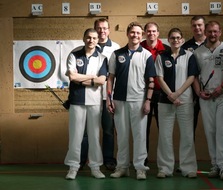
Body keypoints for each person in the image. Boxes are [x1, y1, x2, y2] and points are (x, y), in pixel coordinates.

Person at [106, 22, 156, 180]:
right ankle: (122, 167)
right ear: (127, 34)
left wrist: (148, 101)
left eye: (138, 33)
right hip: (119, 101)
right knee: (121, 135)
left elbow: (151, 80)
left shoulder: (146, 55)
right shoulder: (116, 53)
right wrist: (109, 99)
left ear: (142, 35)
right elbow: (110, 78)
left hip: (139, 100)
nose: (135, 35)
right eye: (133, 32)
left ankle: (140, 168)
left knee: (140, 135)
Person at [193, 21, 223, 180]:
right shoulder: (198, 52)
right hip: (205, 98)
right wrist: (199, 92)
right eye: (209, 31)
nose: (212, 34)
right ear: (205, 32)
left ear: (220, 32)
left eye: (215, 31)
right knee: (210, 132)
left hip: (222, 97)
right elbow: (194, 76)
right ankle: (215, 165)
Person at [64, 28, 108, 180]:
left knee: (94, 136)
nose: (91, 41)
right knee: (75, 136)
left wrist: (81, 79)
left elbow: (101, 80)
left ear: (98, 40)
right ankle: (73, 167)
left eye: (95, 38)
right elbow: (72, 76)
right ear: (83, 38)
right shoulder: (74, 55)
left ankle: (95, 167)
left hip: (95, 102)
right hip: (76, 100)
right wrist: (91, 77)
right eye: (89, 37)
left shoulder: (102, 58)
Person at [155, 28, 198, 178]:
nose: (175, 40)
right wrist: (171, 96)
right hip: (165, 101)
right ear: (168, 39)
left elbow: (191, 77)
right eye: (172, 38)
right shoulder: (161, 57)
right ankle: (165, 168)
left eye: (178, 38)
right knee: (165, 136)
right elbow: (159, 78)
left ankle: (188, 168)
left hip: (184, 101)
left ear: (182, 40)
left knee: (187, 135)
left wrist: (178, 94)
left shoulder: (190, 56)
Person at [80, 18, 120, 171]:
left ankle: (108, 159)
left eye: (104, 28)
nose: (102, 31)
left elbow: (114, 74)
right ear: (95, 30)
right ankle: (82, 160)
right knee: (86, 132)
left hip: (107, 98)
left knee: (108, 130)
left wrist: (111, 97)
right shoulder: (87, 47)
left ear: (109, 30)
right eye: (99, 28)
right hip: (90, 96)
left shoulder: (115, 48)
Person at [140, 22, 169, 165]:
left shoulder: (167, 50)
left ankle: (163, 162)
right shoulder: (138, 48)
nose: (151, 34)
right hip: (143, 94)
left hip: (162, 94)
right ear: (145, 33)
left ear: (158, 33)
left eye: (154, 31)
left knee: (163, 128)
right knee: (143, 129)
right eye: (148, 31)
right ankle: (143, 161)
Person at [182, 15, 206, 140]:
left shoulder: (214, 43)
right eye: (194, 25)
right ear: (191, 28)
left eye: (199, 25)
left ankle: (219, 159)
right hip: (191, 93)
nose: (197, 28)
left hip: (212, 91)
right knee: (190, 128)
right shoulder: (185, 47)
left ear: (204, 26)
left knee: (215, 126)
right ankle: (189, 159)